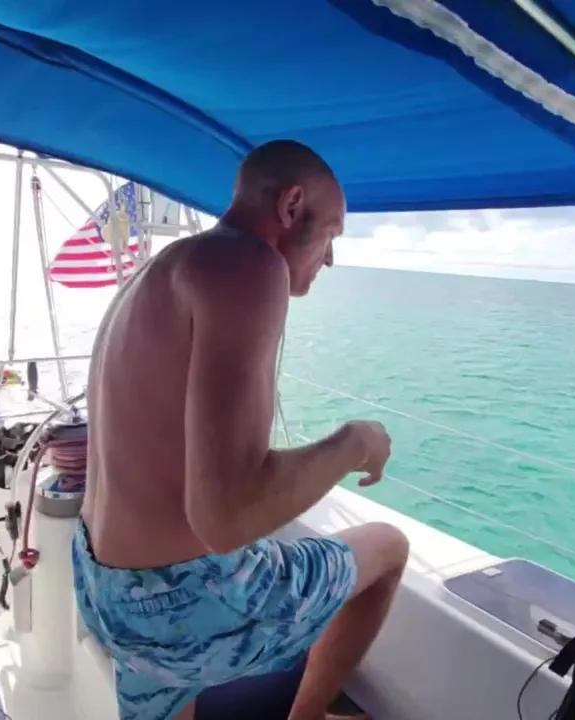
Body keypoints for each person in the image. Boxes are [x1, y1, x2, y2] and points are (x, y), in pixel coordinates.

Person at [75, 139, 410, 720]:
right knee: (388, 547)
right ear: (291, 206)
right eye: (331, 233)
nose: (330, 257)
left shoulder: (162, 269)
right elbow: (226, 517)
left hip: (103, 591)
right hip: (180, 605)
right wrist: (356, 442)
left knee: (171, 665)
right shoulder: (250, 263)